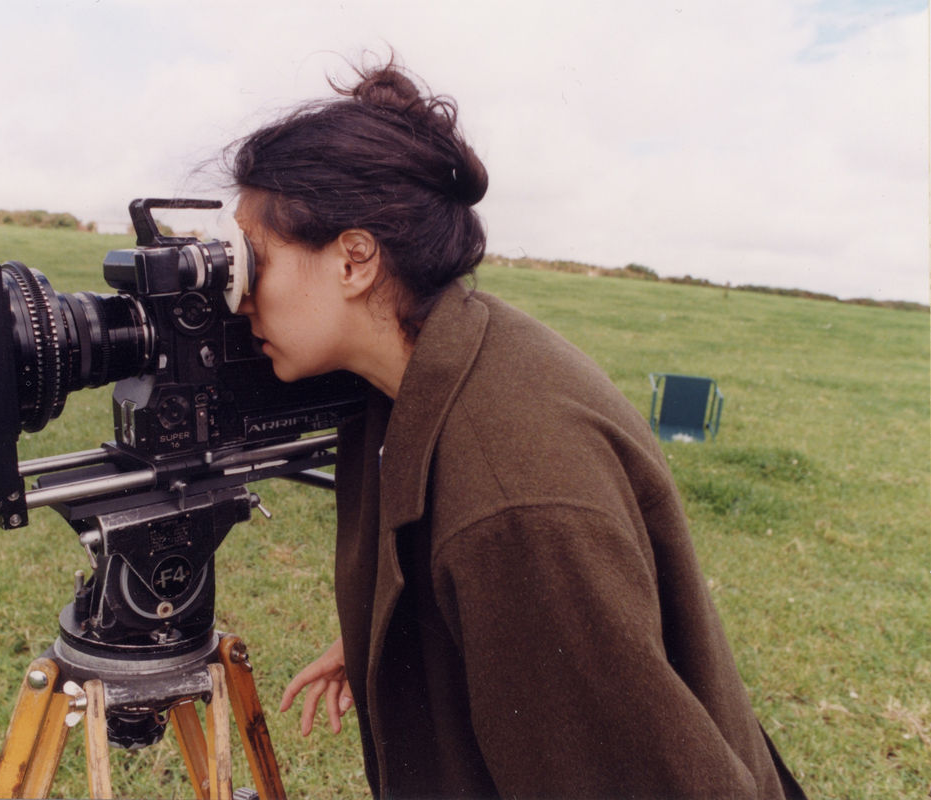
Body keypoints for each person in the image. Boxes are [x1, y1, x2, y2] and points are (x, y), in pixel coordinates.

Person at [229, 56, 805, 799]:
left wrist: (501, 590)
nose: (239, 298)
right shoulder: (446, 346)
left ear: (354, 260)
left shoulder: (512, 502)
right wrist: (427, 622)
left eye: (253, 259)